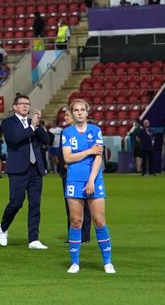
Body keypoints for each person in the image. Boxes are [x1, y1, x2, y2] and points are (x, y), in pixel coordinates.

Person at [62, 99, 114, 274]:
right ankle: (75, 263)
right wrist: (88, 152)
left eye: (82, 110)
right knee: (76, 221)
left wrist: (92, 180)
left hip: (94, 180)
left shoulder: (95, 130)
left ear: (87, 112)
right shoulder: (67, 133)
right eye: (76, 110)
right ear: (72, 112)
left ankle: (108, 262)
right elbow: (67, 158)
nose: (79, 112)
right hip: (74, 181)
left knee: (99, 221)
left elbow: (98, 157)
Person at [0, 93, 50, 250]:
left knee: (35, 204)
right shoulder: (8, 123)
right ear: (14, 107)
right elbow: (15, 139)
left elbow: (46, 140)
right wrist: (32, 127)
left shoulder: (32, 122)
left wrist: (37, 125)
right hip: (18, 169)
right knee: (16, 202)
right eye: (22, 103)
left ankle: (33, 239)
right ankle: (3, 227)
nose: (26, 106)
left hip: (36, 169)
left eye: (28, 103)